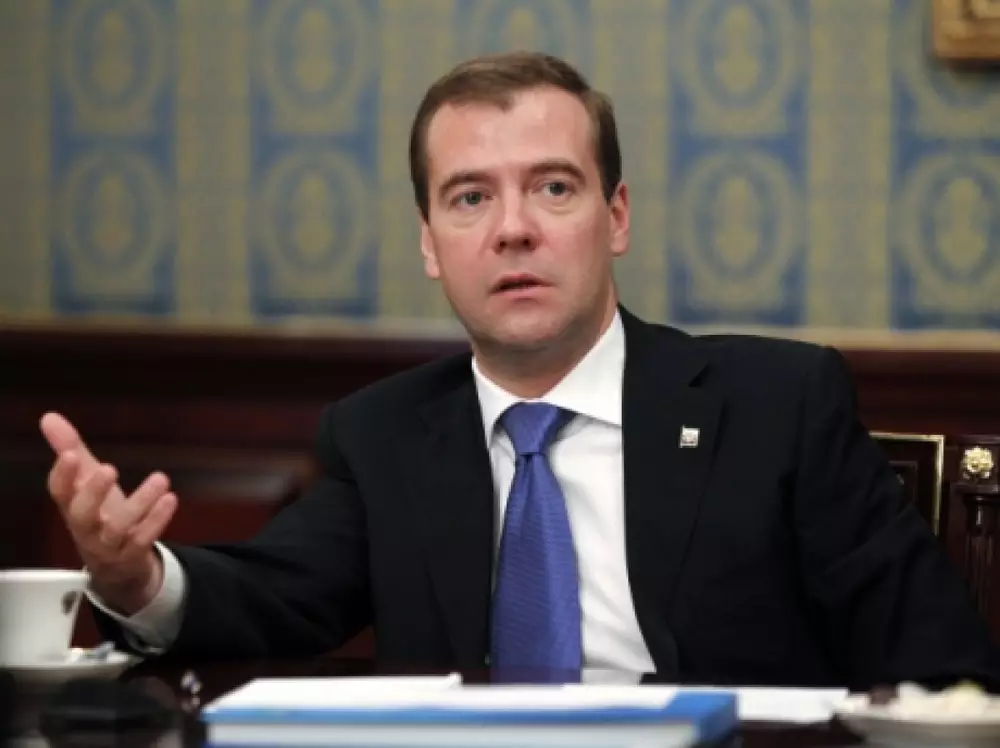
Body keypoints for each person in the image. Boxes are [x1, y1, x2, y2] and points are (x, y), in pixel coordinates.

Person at [41, 51, 999, 690]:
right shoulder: (383, 435)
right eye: (470, 197)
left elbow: (942, 673)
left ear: (615, 217)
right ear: (430, 243)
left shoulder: (778, 406)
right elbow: (272, 595)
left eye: (553, 186)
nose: (513, 228)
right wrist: (137, 577)